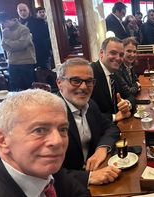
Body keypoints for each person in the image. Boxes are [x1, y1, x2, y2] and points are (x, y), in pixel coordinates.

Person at [0, 89, 90, 196]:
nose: (58, 141)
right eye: (39, 130)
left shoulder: (45, 166)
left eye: (62, 129)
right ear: (3, 140)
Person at [56, 57, 121, 186]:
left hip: (99, 174)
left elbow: (111, 128)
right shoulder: (50, 115)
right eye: (76, 81)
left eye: (89, 81)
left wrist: (102, 149)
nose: (84, 87)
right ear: (59, 83)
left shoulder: (90, 105)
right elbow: (45, 171)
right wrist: (88, 177)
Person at [90, 37, 135, 122]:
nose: (118, 58)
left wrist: (127, 104)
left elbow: (130, 96)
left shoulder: (114, 73)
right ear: (101, 53)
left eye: (121, 55)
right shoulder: (90, 74)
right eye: (113, 53)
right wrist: (114, 117)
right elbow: (86, 113)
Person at [0, 12, 36, 91]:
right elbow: (3, 46)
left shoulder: (24, 29)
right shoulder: (5, 31)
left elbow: (22, 45)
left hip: (26, 62)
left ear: (7, 21)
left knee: (29, 89)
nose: (2, 26)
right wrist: (14, 45)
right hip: (12, 62)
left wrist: (8, 42)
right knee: (14, 88)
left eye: (3, 23)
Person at [17, 3, 51, 69]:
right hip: (24, 57)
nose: (23, 12)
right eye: (20, 11)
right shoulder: (17, 25)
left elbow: (45, 36)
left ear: (28, 10)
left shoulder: (38, 21)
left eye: (24, 10)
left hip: (40, 54)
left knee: (44, 76)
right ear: (17, 12)